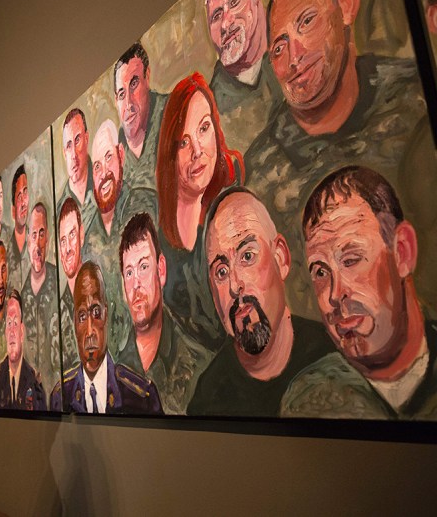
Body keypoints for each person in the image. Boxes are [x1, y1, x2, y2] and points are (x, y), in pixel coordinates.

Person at [245, 0, 437, 321]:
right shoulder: (260, 174)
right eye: (279, 47)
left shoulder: (414, 98)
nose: (295, 57)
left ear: (346, 5)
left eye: (307, 22)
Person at [282, 166, 437, 419]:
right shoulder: (308, 401)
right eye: (320, 272)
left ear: (402, 252)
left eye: (351, 260)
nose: (335, 294)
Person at [187, 188, 333, 416]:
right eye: (222, 271)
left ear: (281, 258)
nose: (235, 286)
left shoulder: (332, 357)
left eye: (247, 256)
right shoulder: (207, 401)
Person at [155, 72, 242, 349]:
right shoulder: (161, 236)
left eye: (204, 129)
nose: (197, 151)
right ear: (170, 154)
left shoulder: (236, 198)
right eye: (183, 142)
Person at [115, 213, 213, 414]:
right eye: (129, 273)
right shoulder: (115, 370)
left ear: (161, 271)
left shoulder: (199, 365)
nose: (136, 285)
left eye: (143, 267)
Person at [51, 261, 162, 414]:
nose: (90, 332)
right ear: (75, 324)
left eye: (96, 313)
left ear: (106, 315)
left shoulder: (141, 397)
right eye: (82, 316)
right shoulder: (61, 396)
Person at [84, 118, 156, 355]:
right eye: (96, 166)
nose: (103, 173)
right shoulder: (88, 241)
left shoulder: (145, 205)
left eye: (108, 158)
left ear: (121, 155)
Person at [205, 0, 283, 153]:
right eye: (216, 16)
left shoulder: (295, 43)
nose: (226, 23)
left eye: (235, 1)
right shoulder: (211, 113)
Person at [113, 41, 168, 191]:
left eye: (134, 84)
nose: (128, 103)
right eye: (122, 94)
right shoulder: (115, 149)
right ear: (116, 100)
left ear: (147, 77)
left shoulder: (171, 113)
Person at [20, 202, 60, 386]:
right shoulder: (21, 298)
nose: (37, 244)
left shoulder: (60, 285)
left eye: (41, 234)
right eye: (34, 235)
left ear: (48, 239)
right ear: (27, 241)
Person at [0, 290, 47, 410]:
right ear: (5, 332)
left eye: (15, 323)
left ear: (22, 331)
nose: (12, 332)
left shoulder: (34, 382)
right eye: (9, 323)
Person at [56, 108, 96, 233]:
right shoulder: (59, 212)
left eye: (77, 140)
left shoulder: (103, 184)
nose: (73, 154)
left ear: (86, 138)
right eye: (68, 146)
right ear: (64, 153)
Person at [57, 197, 86, 367]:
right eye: (62, 241)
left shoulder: (97, 298)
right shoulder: (59, 313)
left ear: (81, 235)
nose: (67, 248)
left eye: (72, 235)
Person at [7, 165, 31, 290]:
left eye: (25, 192)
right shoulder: (5, 257)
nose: (23, 203)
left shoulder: (36, 246)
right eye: (19, 196)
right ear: (13, 210)